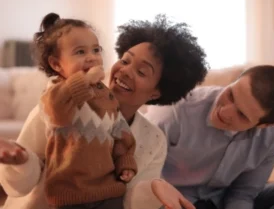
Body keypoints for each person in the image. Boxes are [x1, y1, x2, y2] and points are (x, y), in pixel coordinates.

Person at [0, 14, 208, 209]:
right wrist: (21, 162)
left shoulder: (153, 140)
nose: (125, 71)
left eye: (141, 71)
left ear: (156, 92)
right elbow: (17, 188)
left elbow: (128, 202)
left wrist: (155, 189)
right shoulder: (61, 104)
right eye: (125, 60)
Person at [145, 65, 274, 209]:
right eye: (231, 95)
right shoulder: (174, 111)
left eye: (242, 115)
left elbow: (243, 193)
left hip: (224, 198)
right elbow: (136, 173)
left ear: (264, 125)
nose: (224, 112)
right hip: (175, 201)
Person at [37, 12, 137, 208]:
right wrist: (85, 80)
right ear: (56, 64)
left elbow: (120, 132)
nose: (92, 58)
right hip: (70, 194)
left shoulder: (106, 96)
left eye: (96, 50)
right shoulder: (56, 92)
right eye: (80, 52)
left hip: (109, 191)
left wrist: (125, 162)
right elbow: (56, 112)